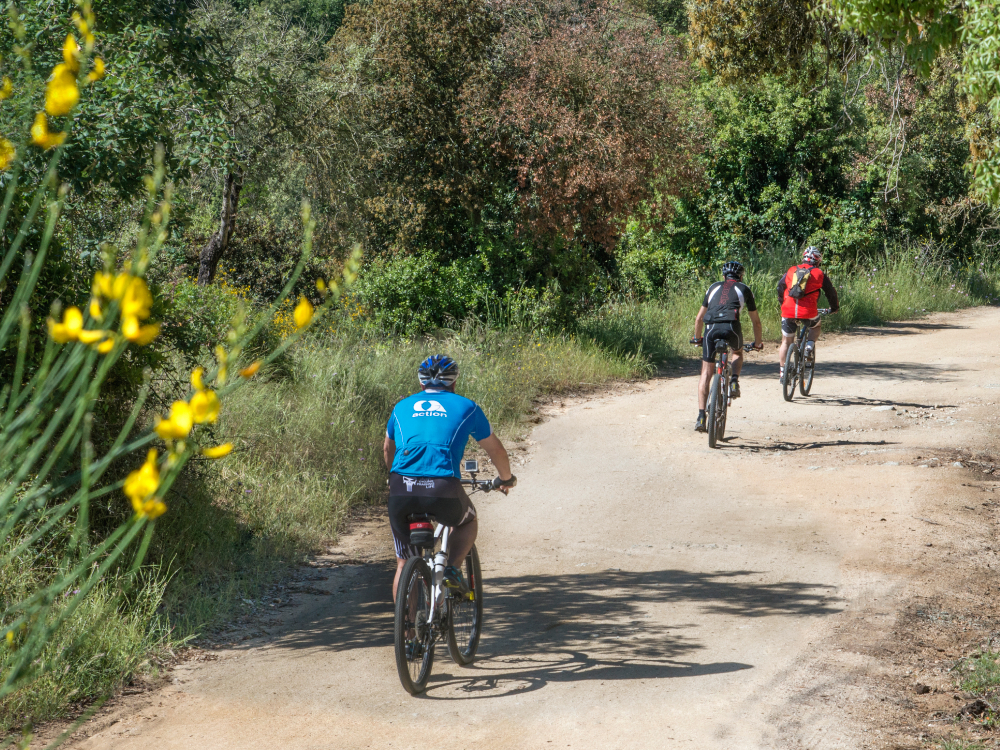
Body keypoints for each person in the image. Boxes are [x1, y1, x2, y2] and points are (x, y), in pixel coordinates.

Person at [383, 354, 516, 601]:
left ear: (421, 383)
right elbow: (496, 450)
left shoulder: (401, 407)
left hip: (401, 488)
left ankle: (406, 625)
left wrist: (394, 479)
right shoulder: (467, 407)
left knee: (403, 563)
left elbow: (387, 449)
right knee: (467, 521)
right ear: (454, 382)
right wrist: (505, 479)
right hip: (442, 488)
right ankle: (452, 568)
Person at [691, 261, 763, 432]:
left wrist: (697, 338)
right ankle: (734, 382)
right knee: (737, 352)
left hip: (711, 328)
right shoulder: (744, 289)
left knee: (706, 374)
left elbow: (699, 318)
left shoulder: (713, 287)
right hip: (732, 327)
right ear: (741, 277)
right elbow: (756, 322)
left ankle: (701, 416)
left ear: (724, 276)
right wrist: (757, 343)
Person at [777, 247, 840, 382]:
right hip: (808, 311)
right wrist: (834, 308)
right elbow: (830, 292)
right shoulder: (819, 273)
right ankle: (809, 347)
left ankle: (782, 373)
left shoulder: (791, 270)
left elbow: (780, 287)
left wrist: (783, 303)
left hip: (788, 310)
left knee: (786, 342)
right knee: (816, 326)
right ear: (818, 261)